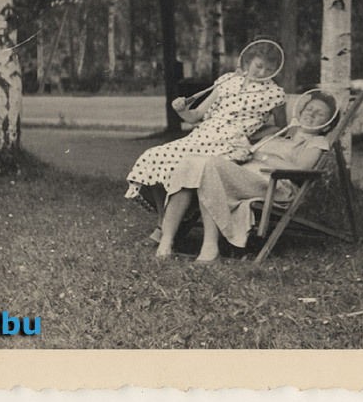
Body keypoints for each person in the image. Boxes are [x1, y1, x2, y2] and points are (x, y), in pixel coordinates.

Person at [125, 42, 286, 241]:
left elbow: (281, 128)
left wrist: (256, 135)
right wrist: (182, 110)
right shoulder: (228, 80)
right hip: (202, 135)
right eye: (258, 66)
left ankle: (166, 230)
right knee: (153, 157)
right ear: (248, 61)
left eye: (269, 70)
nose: (262, 73)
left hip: (229, 144)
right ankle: (163, 222)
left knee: (189, 167)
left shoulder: (275, 94)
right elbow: (196, 115)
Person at [156, 92, 339, 262]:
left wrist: (263, 157)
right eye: (309, 109)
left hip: (275, 186)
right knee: (191, 162)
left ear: (328, 124)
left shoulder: (317, 142)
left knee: (209, 166)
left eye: (320, 114)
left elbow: (301, 169)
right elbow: (251, 153)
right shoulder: (280, 134)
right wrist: (242, 154)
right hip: (246, 178)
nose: (312, 114)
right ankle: (167, 239)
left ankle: (210, 246)